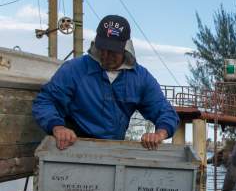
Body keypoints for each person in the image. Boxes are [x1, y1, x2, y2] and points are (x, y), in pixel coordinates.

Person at [32, 15, 179, 150]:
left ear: (125, 47)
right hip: (71, 146)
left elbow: (165, 112)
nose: (106, 56)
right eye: (103, 49)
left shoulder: (141, 78)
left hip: (113, 149)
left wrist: (159, 134)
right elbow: (46, 101)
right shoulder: (74, 69)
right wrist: (57, 127)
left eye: (113, 51)